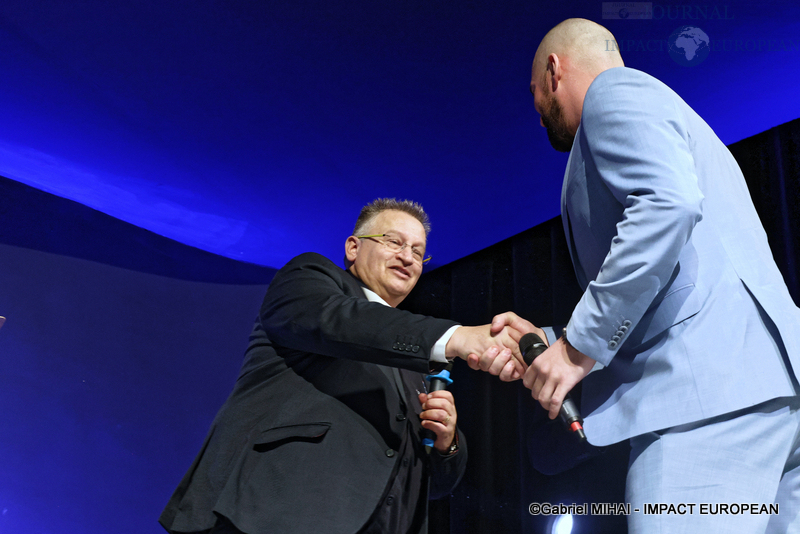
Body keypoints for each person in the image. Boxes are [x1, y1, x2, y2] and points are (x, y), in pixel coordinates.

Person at [474, 18, 800, 533]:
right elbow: (684, 276)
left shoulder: (613, 92)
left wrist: (578, 347)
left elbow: (666, 207)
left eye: (535, 94)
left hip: (707, 407)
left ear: (554, 71)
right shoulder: (685, 123)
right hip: (772, 392)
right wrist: (552, 342)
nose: (538, 116)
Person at [159, 198, 528, 534]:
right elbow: (346, 322)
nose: (408, 257)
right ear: (354, 247)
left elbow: (435, 486)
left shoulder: (415, 362)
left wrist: (447, 443)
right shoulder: (309, 280)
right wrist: (458, 336)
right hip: (274, 514)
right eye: (394, 241)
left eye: (418, 252)